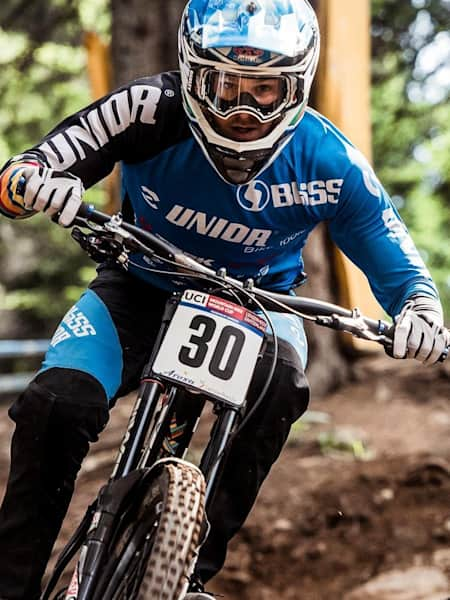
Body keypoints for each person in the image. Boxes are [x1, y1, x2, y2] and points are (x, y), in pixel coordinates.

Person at [0, 0, 448, 598]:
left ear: (298, 86)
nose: (241, 109)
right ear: (189, 74)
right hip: (140, 283)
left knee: (283, 388)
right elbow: (28, 169)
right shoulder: (145, 109)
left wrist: (420, 311)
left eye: (264, 90)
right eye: (224, 84)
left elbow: (392, 252)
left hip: (260, 304)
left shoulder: (330, 159)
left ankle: (187, 574)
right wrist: (32, 182)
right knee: (56, 405)